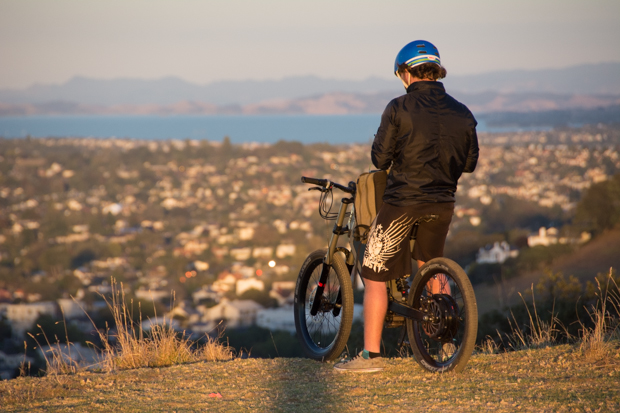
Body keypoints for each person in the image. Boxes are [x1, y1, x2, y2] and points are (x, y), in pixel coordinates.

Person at [334, 40, 479, 372]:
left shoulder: (398, 107)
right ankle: (446, 343)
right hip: (443, 201)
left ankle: (371, 357)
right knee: (432, 266)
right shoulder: (463, 112)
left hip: (403, 202)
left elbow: (379, 159)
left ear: (405, 73)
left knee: (373, 273)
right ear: (436, 71)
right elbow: (469, 163)